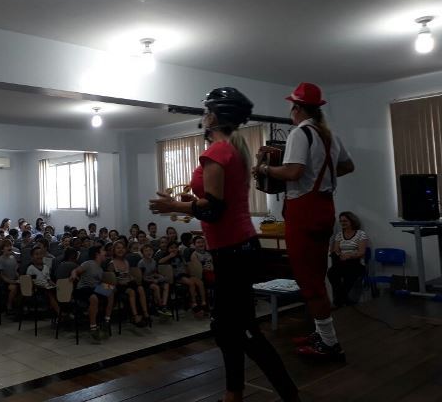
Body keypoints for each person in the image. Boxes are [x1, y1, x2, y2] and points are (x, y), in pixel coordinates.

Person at [151, 87, 299, 402]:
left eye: (206, 111)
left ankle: (289, 395)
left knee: (242, 330)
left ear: (214, 117)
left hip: (233, 250)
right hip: (237, 248)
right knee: (227, 328)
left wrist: (174, 206)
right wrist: (191, 202)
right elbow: (216, 203)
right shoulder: (233, 149)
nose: (203, 116)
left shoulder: (218, 152)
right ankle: (234, 393)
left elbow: (215, 210)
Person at [254, 82, 354, 360]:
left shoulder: (300, 133)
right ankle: (322, 333)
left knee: (308, 281)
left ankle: (330, 344)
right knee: (317, 276)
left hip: (304, 212)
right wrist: (321, 176)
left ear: (297, 108)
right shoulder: (329, 135)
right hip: (325, 207)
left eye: (292, 106)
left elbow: (293, 172)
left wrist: (264, 168)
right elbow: (348, 166)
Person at [70, 245, 115, 343]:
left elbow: (99, 283)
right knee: (94, 297)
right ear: (97, 254)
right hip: (83, 289)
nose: (105, 252)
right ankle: (93, 328)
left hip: (94, 288)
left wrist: (109, 285)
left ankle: (107, 320)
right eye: (103, 251)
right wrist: (73, 275)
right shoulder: (88, 263)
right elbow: (75, 270)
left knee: (111, 291)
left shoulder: (100, 268)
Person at [327, 212, 368, 307]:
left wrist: (350, 255)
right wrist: (341, 255)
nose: (342, 223)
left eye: (345, 221)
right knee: (331, 273)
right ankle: (344, 299)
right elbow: (336, 250)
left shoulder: (361, 234)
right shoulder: (339, 235)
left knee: (349, 275)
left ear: (352, 221)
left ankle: (339, 301)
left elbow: (361, 252)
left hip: (356, 262)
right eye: (341, 221)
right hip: (342, 261)